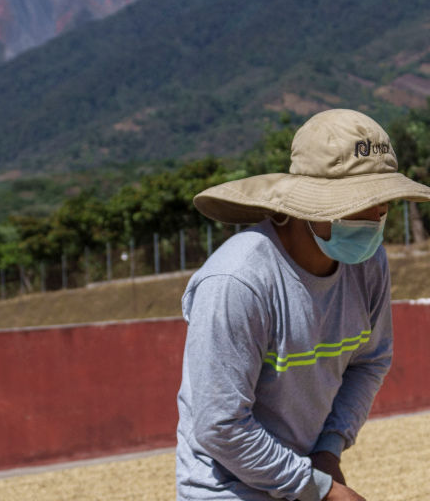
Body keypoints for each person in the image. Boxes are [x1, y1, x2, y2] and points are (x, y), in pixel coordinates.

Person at [177, 109, 430, 501]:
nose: (376, 217)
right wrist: (320, 490)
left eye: (383, 203)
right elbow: (220, 426)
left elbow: (371, 359)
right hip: (227, 491)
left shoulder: (368, 265)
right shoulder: (237, 280)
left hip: (306, 477)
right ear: (307, 204)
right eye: (358, 204)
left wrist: (329, 448)